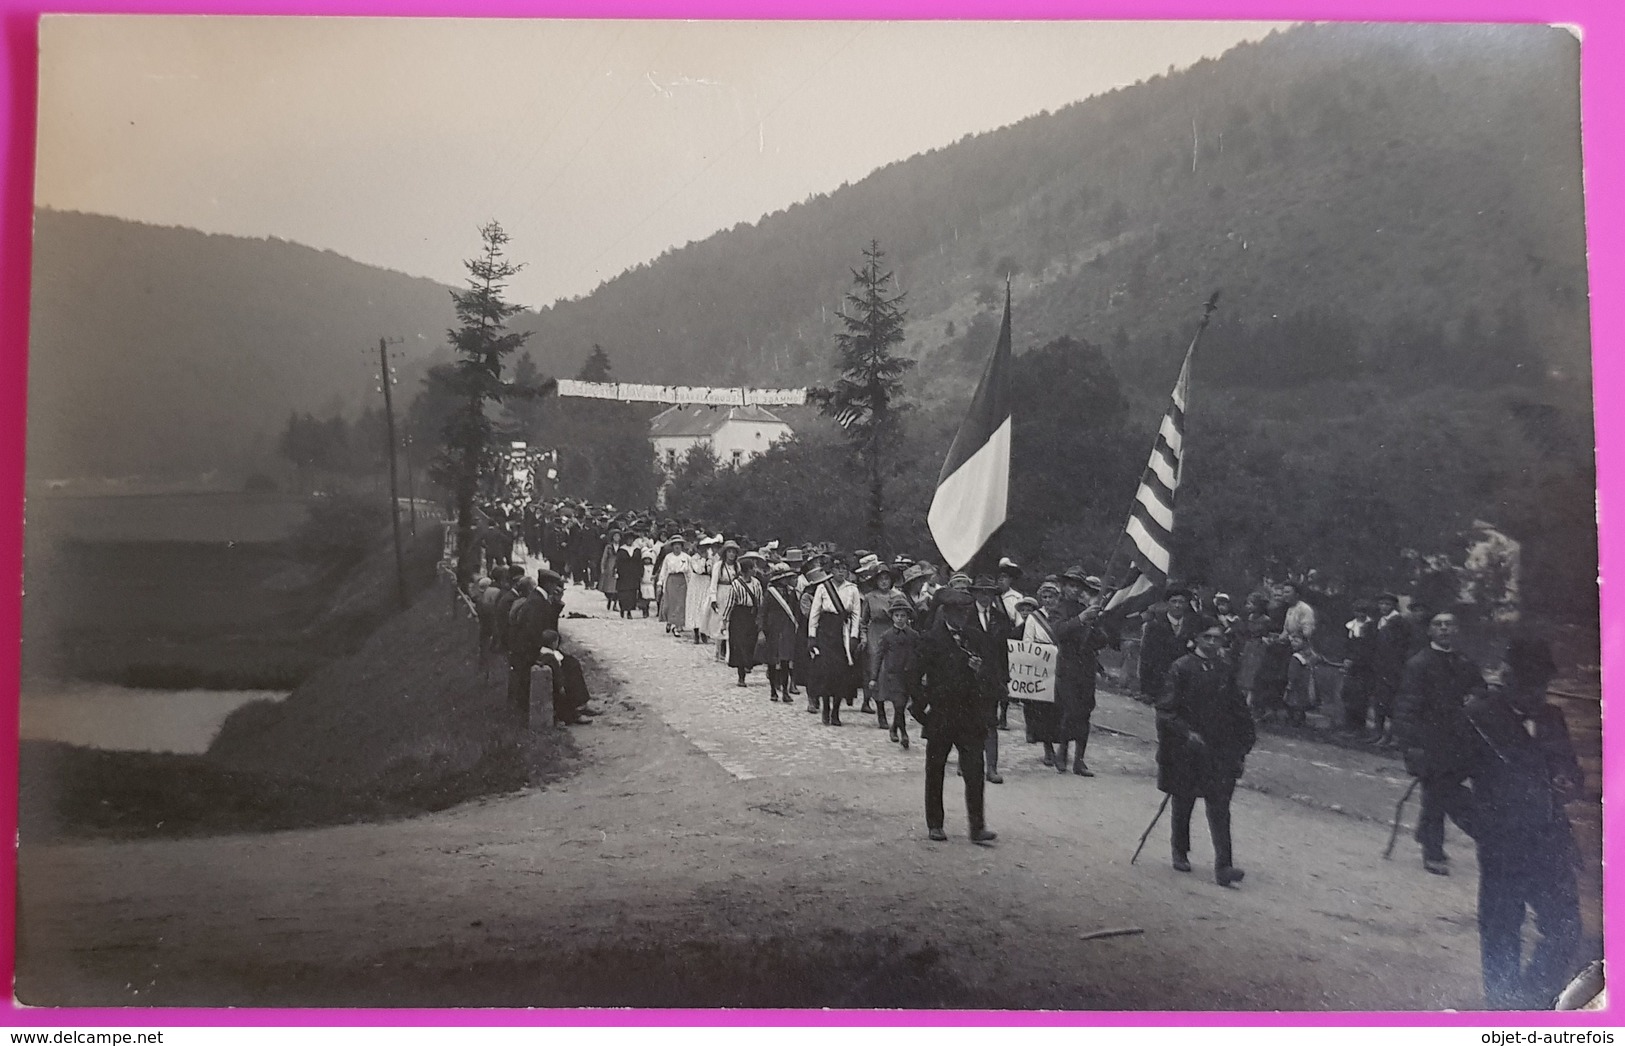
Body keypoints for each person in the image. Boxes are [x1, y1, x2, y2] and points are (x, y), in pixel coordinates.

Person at [1465, 635, 1584, 1009]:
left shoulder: (1552, 717)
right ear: (1511, 678)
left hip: (1551, 840)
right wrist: (1482, 825)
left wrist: (1568, 781)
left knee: (1566, 929)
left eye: (1543, 684)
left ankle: (1532, 1002)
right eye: (1532, 684)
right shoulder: (1480, 716)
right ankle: (1502, 1008)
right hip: (1503, 842)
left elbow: (1572, 770)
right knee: (1501, 929)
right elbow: (1446, 781)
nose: (1539, 692)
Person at [1156, 622, 1257, 886]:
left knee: (1220, 807)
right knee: (1184, 801)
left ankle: (1224, 866)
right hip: (1187, 748)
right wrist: (1186, 733)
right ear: (1196, 638)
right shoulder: (1181, 668)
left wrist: (1245, 741)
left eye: (1218, 638)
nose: (1213, 643)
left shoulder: (1225, 671)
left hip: (1218, 749)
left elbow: (1238, 709)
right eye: (1207, 637)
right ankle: (1180, 851)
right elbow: (1166, 710)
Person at [1395, 612, 1485, 875]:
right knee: (1439, 797)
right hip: (1429, 742)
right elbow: (1406, 707)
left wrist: (1475, 698)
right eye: (1438, 625)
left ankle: (1427, 837)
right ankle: (1432, 851)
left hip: (1459, 742)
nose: (1444, 629)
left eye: (1449, 624)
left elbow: (1481, 689)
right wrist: (1411, 746)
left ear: (1457, 630)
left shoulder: (1465, 662)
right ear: (1430, 632)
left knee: (1439, 794)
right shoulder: (1419, 664)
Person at [916, 587, 996, 844]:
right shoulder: (931, 640)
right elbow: (913, 677)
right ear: (946, 612)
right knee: (936, 769)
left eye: (966, 611)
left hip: (970, 716)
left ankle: (977, 827)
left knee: (975, 771)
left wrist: (979, 670)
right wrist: (921, 712)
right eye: (958, 612)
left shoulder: (976, 638)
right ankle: (935, 824)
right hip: (941, 714)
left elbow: (992, 677)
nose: (963, 617)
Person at [967, 576, 1012, 784]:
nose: (985, 597)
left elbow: (1005, 652)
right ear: (974, 593)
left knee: (990, 723)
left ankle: (991, 767)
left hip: (992, 678)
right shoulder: (966, 616)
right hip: (970, 677)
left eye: (989, 593)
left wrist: (1005, 678)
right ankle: (965, 762)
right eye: (981, 592)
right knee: (967, 721)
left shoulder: (1000, 619)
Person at [807, 557, 862, 725]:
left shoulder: (852, 589)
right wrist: (812, 636)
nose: (841, 571)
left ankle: (836, 712)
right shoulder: (823, 588)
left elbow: (856, 615)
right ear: (831, 570)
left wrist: (853, 636)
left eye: (844, 568)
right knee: (825, 672)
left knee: (841, 673)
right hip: (826, 631)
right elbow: (814, 613)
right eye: (838, 568)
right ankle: (825, 708)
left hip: (842, 633)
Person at [870, 593, 921, 750]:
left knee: (902, 705)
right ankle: (904, 733)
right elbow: (878, 657)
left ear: (907, 617)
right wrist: (873, 677)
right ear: (892, 617)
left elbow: (920, 655)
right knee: (898, 704)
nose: (900, 618)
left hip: (909, 676)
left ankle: (894, 728)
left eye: (903, 616)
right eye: (897, 615)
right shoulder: (887, 636)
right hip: (892, 675)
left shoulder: (914, 635)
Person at [1138, 586, 1202, 706]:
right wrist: (1145, 689)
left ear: (1186, 605)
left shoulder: (1192, 626)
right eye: (1174, 601)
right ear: (1167, 603)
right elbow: (1146, 657)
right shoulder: (1154, 626)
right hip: (1158, 681)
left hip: (1182, 684)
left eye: (1181, 602)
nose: (1177, 605)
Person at [859, 563, 900, 728]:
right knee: (879, 672)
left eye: (887, 578)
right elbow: (864, 621)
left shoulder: (898, 596)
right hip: (876, 634)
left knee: (895, 670)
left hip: (893, 632)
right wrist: (864, 638)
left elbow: (908, 615)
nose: (884, 582)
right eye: (881, 579)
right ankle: (881, 713)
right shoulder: (869, 597)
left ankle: (898, 713)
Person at [1371, 593, 1412, 746]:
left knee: (1391, 702)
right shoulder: (1380, 621)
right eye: (1381, 604)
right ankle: (1378, 733)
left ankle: (1391, 736)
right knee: (1379, 701)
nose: (1383, 607)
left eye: (1387, 604)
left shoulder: (1398, 622)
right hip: (1380, 667)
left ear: (1393, 606)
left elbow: (1401, 646)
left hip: (1393, 668)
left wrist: (1395, 666)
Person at [758, 563, 802, 702]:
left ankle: (785, 690)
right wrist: (761, 630)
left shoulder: (792, 593)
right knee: (772, 661)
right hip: (773, 629)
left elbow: (796, 612)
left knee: (785, 661)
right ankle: (773, 690)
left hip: (787, 629)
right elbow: (763, 613)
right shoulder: (770, 593)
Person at [726, 552, 765, 687]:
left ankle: (749, 664)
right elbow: (730, 603)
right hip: (739, 616)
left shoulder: (757, 584)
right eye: (752, 568)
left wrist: (760, 618)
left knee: (750, 644)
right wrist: (725, 619)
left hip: (752, 615)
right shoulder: (736, 584)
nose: (755, 570)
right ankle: (741, 675)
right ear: (746, 570)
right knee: (739, 645)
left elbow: (760, 602)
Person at [1341, 599, 1379, 735]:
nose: (1360, 614)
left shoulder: (1372, 627)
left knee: (1361, 697)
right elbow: (1347, 645)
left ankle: (1359, 727)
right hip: (1351, 664)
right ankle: (1349, 725)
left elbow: (1369, 649)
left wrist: (1356, 660)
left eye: (1363, 612)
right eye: (1357, 611)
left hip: (1364, 666)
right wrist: (1346, 658)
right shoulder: (1351, 626)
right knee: (1349, 694)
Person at [598, 528, 622, 611]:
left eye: (618, 536)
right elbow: (604, 558)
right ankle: (609, 599)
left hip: (618, 566)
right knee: (608, 587)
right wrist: (602, 567)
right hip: (609, 566)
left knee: (617, 587)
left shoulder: (621, 547)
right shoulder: (608, 547)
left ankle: (615, 603)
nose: (617, 538)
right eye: (615, 536)